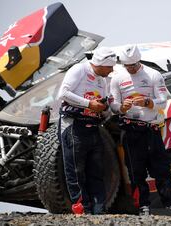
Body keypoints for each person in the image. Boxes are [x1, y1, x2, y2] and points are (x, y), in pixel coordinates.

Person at [110, 44, 171, 215]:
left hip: (151, 129)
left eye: (133, 65)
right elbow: (113, 105)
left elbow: (164, 101)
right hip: (130, 130)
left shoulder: (153, 75)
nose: (130, 69)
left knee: (161, 169)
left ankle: (170, 204)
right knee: (135, 170)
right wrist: (121, 108)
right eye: (127, 66)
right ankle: (143, 206)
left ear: (139, 61)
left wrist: (148, 102)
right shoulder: (117, 78)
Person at [57, 47, 116, 214]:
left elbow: (103, 107)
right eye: (110, 67)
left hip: (94, 127)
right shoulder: (79, 69)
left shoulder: (103, 80)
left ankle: (99, 211)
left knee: (96, 171)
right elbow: (63, 94)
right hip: (74, 125)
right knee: (76, 171)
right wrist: (89, 104)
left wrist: (106, 108)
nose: (112, 70)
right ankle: (83, 211)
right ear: (102, 64)